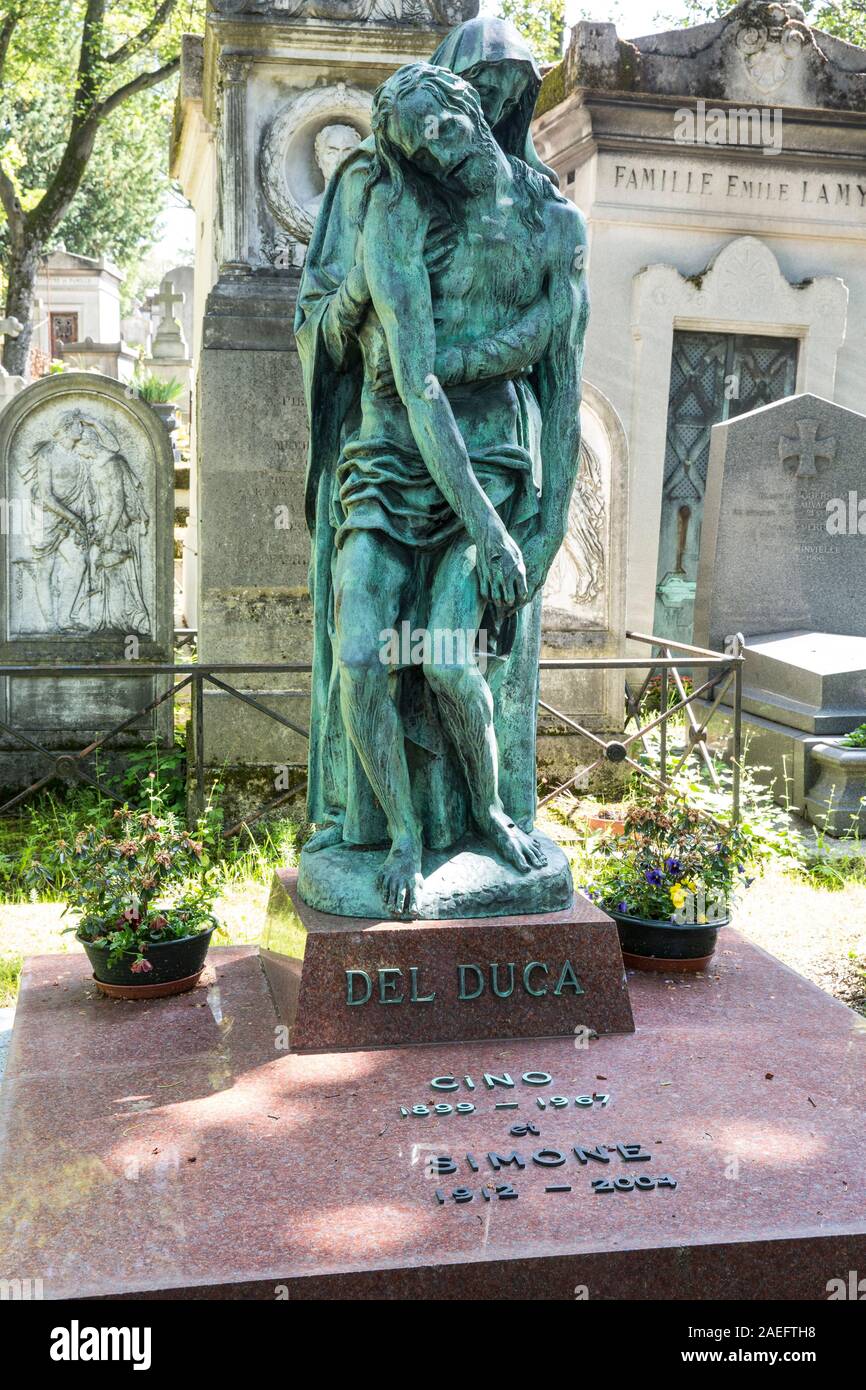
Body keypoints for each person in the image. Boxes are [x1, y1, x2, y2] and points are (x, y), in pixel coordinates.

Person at [299, 62, 587, 917]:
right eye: (409, 135)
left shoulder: (555, 224)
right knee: (361, 657)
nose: (430, 138)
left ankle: (492, 814)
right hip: (391, 458)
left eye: (434, 114)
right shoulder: (397, 211)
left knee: (454, 665)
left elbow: (563, 384)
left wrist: (540, 532)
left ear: (464, 100)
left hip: (492, 466)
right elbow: (419, 382)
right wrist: (489, 529)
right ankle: (400, 837)